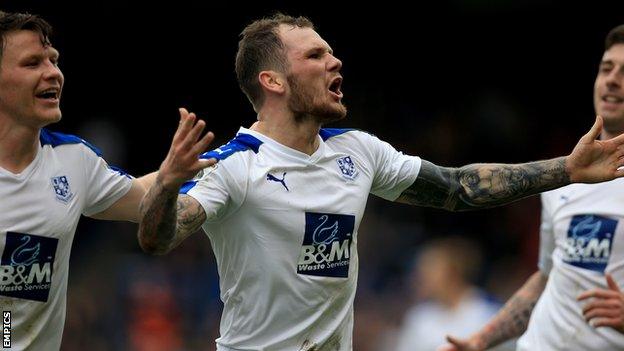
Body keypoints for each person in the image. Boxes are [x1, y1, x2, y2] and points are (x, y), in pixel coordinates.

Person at [138, 14, 624, 351]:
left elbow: (455, 188)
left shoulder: (357, 150)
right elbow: (158, 238)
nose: (335, 62)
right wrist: (166, 184)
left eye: (331, 52)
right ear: (274, 81)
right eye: (316, 55)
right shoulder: (233, 166)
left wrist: (567, 169)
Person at [439, 24, 624, 351]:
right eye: (606, 68)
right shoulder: (565, 175)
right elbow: (549, 276)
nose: (612, 79)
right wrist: (480, 340)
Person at [0, 11, 179, 350]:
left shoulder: (73, 161)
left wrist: (180, 171)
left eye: (53, 61)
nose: (53, 73)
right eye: (32, 63)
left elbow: (144, 199)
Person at [394, 237, 512, 351]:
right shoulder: (419, 316)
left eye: (431, 270)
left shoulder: (487, 312)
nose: (422, 277)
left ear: (452, 272)